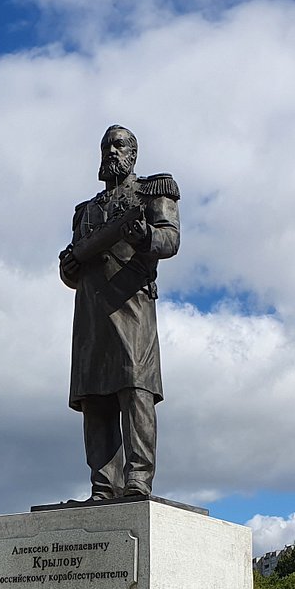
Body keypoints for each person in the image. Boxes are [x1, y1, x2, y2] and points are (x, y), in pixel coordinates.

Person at [59, 125, 180, 501]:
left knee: (135, 390)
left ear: (133, 154)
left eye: (120, 145)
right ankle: (103, 485)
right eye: (106, 146)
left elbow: (170, 239)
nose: (112, 152)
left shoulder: (152, 192)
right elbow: (71, 269)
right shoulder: (86, 211)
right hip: (92, 316)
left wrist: (145, 235)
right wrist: (69, 267)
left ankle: (138, 480)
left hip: (132, 307)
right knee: (95, 397)